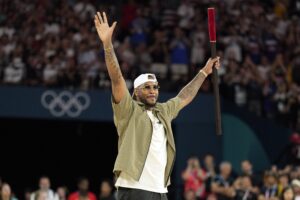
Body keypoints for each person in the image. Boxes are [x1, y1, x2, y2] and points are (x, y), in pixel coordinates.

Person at [94, 11, 220, 200]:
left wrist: (203, 72)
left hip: (161, 190)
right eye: (147, 87)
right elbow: (117, 78)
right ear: (136, 91)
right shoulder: (128, 109)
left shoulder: (163, 111)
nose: (153, 90)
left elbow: (184, 96)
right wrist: (107, 45)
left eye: (155, 87)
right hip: (134, 188)